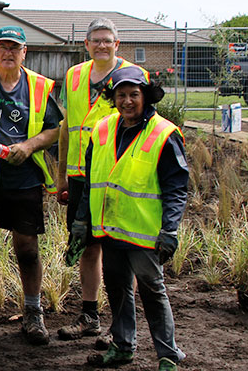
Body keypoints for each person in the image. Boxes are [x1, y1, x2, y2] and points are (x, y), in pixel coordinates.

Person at [72, 66, 187, 371]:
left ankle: (167, 355)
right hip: (111, 230)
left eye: (133, 95)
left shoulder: (164, 134)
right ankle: (123, 346)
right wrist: (82, 222)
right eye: (121, 95)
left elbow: (177, 188)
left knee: (152, 291)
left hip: (144, 233)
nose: (126, 101)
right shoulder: (102, 130)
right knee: (117, 289)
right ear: (113, 97)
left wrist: (170, 229)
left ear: (145, 97)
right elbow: (90, 181)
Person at [0, 25, 61, 345]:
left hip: (23, 176)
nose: (8, 52)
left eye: (14, 47)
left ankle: (33, 313)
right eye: (2, 46)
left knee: (27, 247)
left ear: (24, 53)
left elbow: (55, 129)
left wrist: (30, 146)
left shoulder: (38, 86)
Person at [57, 18, 143, 344]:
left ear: (117, 45)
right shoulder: (74, 75)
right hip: (81, 176)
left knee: (119, 250)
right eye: (97, 40)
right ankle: (89, 316)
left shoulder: (134, 76)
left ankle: (120, 325)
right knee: (87, 246)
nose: (102, 45)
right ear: (87, 44)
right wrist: (62, 173)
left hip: (117, 178)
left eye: (108, 40)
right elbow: (67, 126)